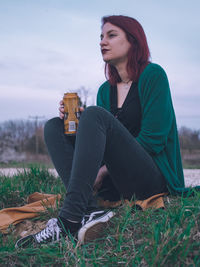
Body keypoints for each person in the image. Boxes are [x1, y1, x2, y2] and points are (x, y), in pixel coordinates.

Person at [15, 15, 185, 249]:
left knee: (94, 115)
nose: (103, 41)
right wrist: (80, 127)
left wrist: (101, 171)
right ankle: (92, 212)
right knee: (54, 126)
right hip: (119, 181)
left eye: (111, 35)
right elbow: (103, 146)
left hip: (152, 179)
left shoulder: (153, 76)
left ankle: (69, 218)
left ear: (133, 40)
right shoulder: (105, 90)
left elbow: (153, 140)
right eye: (101, 36)